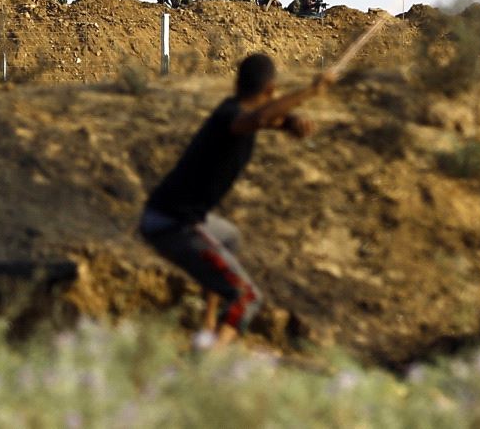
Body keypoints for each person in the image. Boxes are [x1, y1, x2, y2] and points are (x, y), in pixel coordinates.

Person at [139, 54, 335, 349]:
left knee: (229, 237)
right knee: (247, 297)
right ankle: (209, 361)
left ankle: (206, 328)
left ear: (236, 83)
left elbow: (266, 119)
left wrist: (291, 121)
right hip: (176, 224)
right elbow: (257, 119)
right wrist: (310, 92)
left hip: (165, 214)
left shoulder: (230, 111)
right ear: (270, 89)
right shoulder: (232, 117)